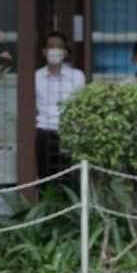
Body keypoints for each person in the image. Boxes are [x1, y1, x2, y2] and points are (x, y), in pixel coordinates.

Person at [35, 31, 86, 180]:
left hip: (68, 133)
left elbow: (80, 106)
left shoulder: (77, 76)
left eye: (59, 47)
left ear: (65, 52)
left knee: (68, 179)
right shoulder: (36, 77)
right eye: (51, 47)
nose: (55, 51)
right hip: (44, 131)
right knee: (45, 179)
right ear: (44, 52)